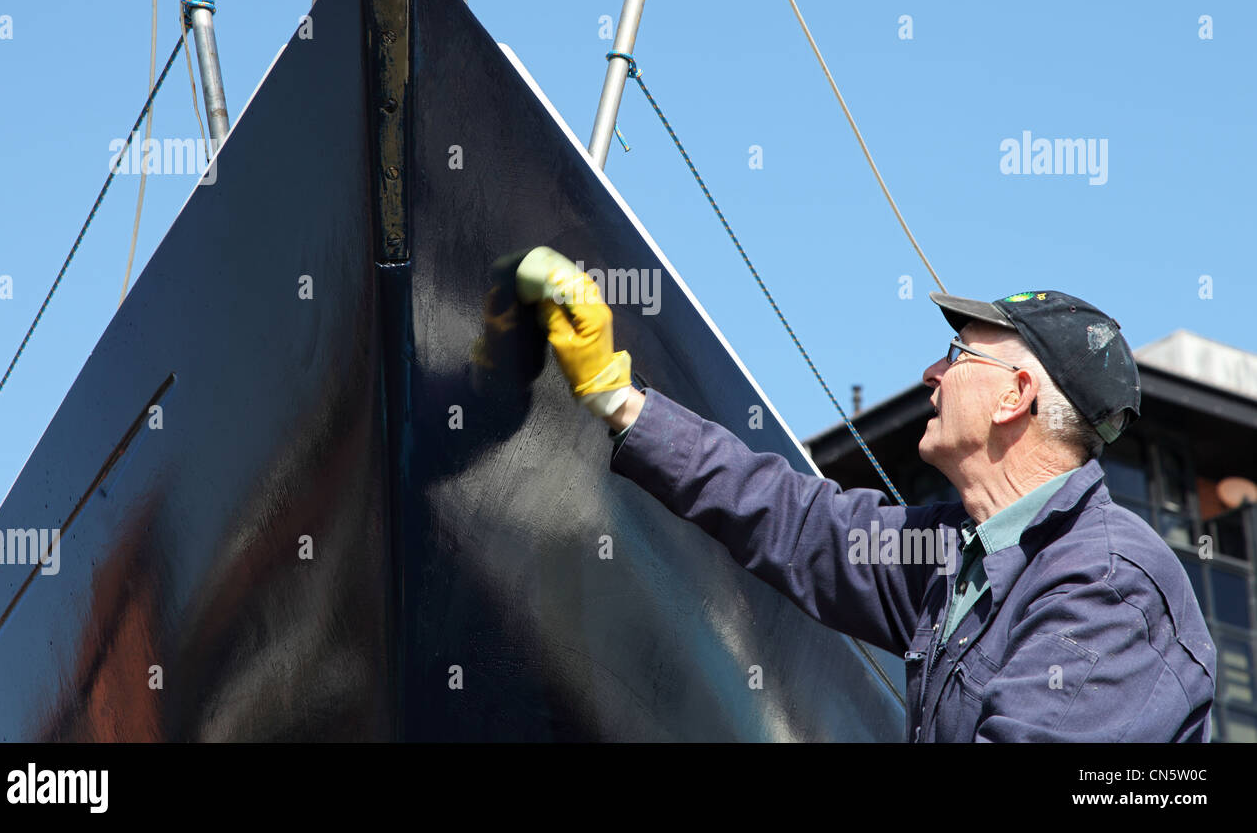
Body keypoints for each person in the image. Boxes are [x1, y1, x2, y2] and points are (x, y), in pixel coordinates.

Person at [505, 247, 1217, 742]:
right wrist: (616, 399)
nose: (931, 372)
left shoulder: (1107, 583)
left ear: (1016, 395)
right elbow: (795, 521)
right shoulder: (957, 558)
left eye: (960, 354)